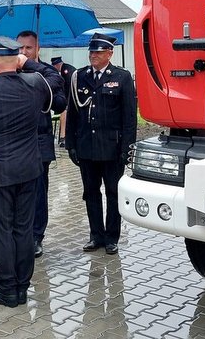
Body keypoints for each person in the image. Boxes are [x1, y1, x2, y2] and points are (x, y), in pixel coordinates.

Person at [0, 37, 64, 308]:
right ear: (17, 60)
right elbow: (55, 80)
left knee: (2, 233)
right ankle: (22, 287)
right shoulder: (34, 84)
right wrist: (29, 62)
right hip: (29, 170)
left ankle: (8, 289)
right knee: (23, 231)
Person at [65, 33, 137, 255]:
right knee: (91, 193)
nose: (93, 55)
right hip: (87, 147)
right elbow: (73, 112)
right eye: (91, 51)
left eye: (98, 52)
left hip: (112, 149)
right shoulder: (80, 76)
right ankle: (95, 235)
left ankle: (112, 236)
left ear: (109, 53)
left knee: (113, 193)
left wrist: (127, 148)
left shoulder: (121, 77)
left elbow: (129, 119)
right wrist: (71, 144)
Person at [16, 31, 67, 258]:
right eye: (20, 49)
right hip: (16, 144)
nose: (23, 53)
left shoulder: (45, 72)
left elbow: (60, 101)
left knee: (38, 193)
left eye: (28, 48)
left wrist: (32, 69)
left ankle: (37, 236)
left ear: (37, 50)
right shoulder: (13, 71)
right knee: (17, 193)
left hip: (39, 141)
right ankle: (19, 234)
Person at [50, 56, 76, 147]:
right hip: (70, 99)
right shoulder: (65, 69)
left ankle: (63, 137)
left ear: (56, 65)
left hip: (72, 99)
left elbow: (69, 88)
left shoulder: (66, 71)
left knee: (63, 113)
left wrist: (67, 103)